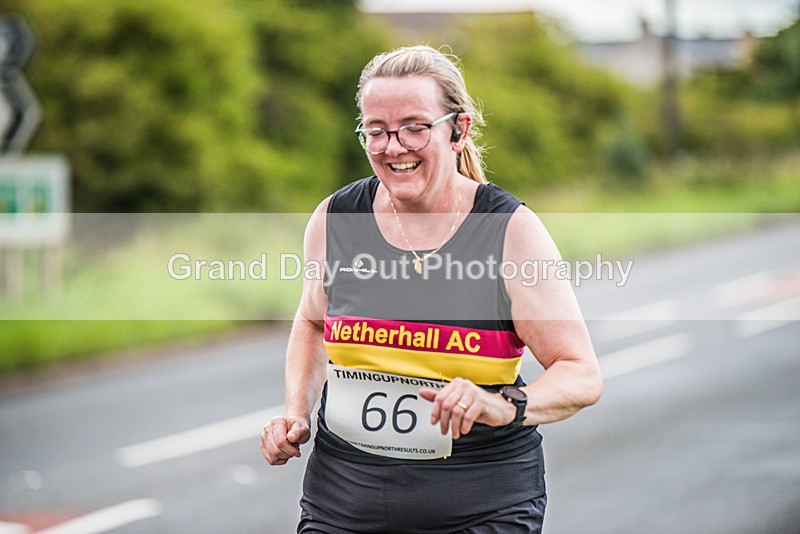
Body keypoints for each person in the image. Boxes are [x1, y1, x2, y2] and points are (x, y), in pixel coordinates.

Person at [261, 45, 602, 533]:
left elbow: (581, 374)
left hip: (480, 504)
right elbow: (313, 320)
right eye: (376, 132)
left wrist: (503, 405)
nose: (393, 146)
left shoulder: (509, 232)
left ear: (457, 130)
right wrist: (295, 415)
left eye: (414, 127)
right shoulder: (337, 218)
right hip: (343, 502)